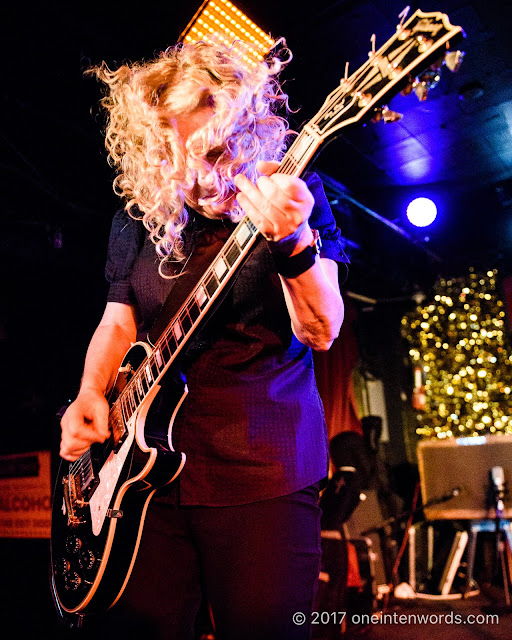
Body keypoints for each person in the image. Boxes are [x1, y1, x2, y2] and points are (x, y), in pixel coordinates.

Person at [59, 40, 347, 640]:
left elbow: (321, 330)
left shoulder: (297, 191)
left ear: (248, 131)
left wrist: (293, 244)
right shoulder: (137, 219)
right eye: (172, 156)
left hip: (260, 472)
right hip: (142, 483)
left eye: (213, 151)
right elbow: (119, 321)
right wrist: (90, 391)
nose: (195, 175)